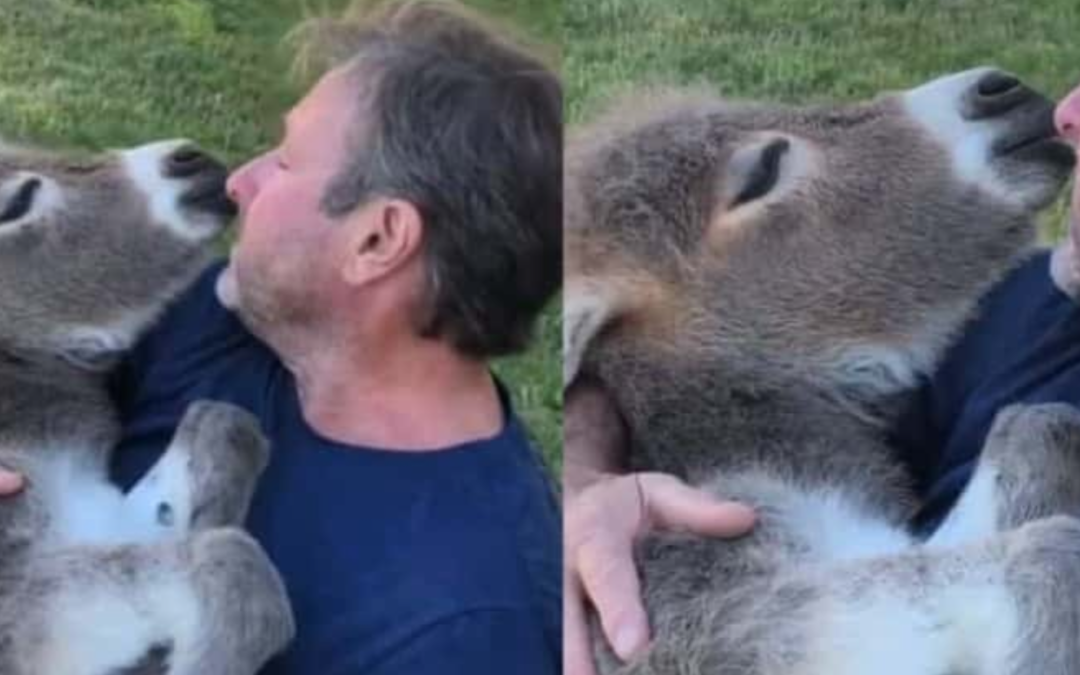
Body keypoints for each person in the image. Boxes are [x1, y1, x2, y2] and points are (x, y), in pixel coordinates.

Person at [3, 1, 562, 673]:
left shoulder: (467, 627)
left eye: (287, 163)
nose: (240, 180)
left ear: (377, 240)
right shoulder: (225, 322)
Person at [563, 84, 1080, 675]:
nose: (1066, 112)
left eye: (764, 175)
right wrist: (584, 476)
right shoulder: (1035, 308)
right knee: (1039, 444)